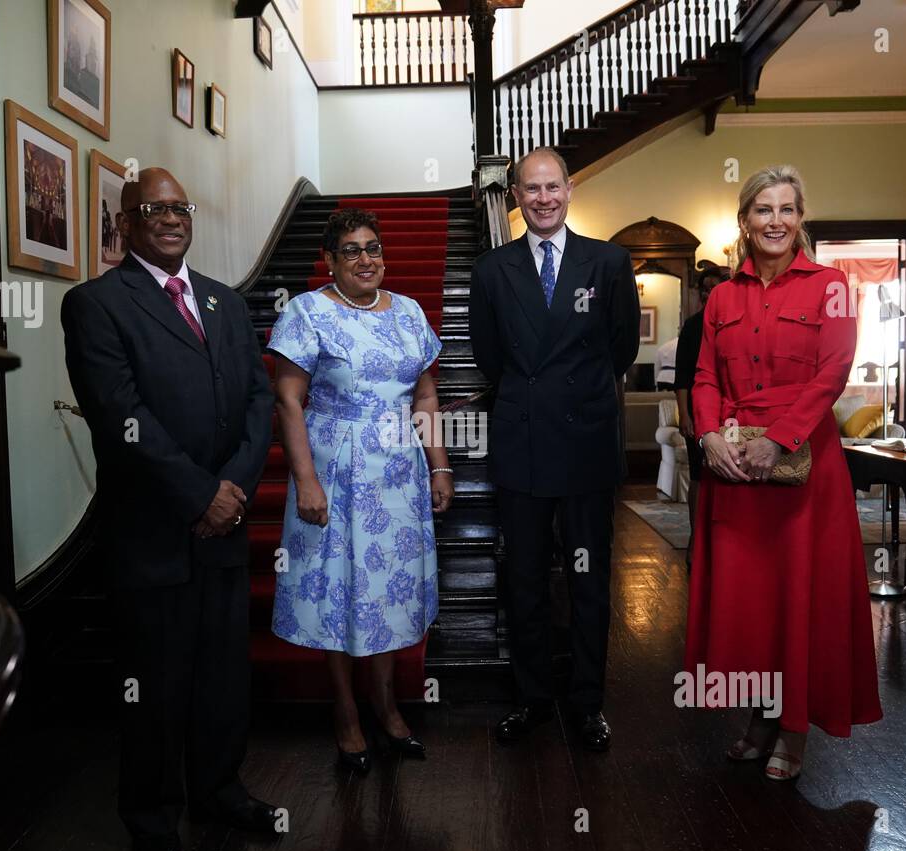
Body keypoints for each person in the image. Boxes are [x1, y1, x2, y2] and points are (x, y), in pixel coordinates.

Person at [62, 167, 281, 851]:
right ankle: (153, 823)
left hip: (224, 526)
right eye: (152, 207)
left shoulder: (224, 302)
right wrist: (198, 494)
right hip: (153, 530)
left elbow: (258, 402)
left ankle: (220, 788)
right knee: (153, 686)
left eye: (179, 206)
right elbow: (120, 414)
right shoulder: (95, 304)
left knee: (223, 675)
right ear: (125, 224)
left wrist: (236, 489)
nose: (170, 216)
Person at [685, 164, 882, 781]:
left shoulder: (833, 287)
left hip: (803, 471)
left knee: (799, 597)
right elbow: (706, 376)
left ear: (801, 218)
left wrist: (779, 439)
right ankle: (757, 717)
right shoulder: (721, 296)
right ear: (744, 222)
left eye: (787, 210)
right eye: (762, 210)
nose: (775, 222)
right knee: (749, 604)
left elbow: (832, 373)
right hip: (734, 469)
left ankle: (793, 731)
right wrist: (709, 433)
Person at [469, 147, 640, 752]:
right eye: (530, 189)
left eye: (553, 187)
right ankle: (533, 697)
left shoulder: (610, 262)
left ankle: (588, 703)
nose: (542, 198)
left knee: (591, 581)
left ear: (570, 190)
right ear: (514, 196)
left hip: (587, 445)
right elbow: (492, 360)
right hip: (523, 447)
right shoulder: (491, 270)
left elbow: (622, 351)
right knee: (525, 581)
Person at [268, 208, 451, 773]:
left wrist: (438, 465)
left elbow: (424, 398)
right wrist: (305, 480)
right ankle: (346, 713)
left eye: (373, 247)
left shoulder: (410, 312)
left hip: (399, 475)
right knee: (340, 592)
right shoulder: (307, 313)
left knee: (390, 594)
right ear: (330, 259)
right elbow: (288, 400)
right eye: (351, 249)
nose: (366, 258)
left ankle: (387, 705)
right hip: (337, 474)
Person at [672, 262, 730, 568]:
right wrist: (685, 415)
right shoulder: (693, 326)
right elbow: (682, 377)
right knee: (699, 476)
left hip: (731, 416)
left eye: (714, 289)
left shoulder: (733, 319)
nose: (709, 295)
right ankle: (697, 539)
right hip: (699, 412)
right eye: (704, 290)